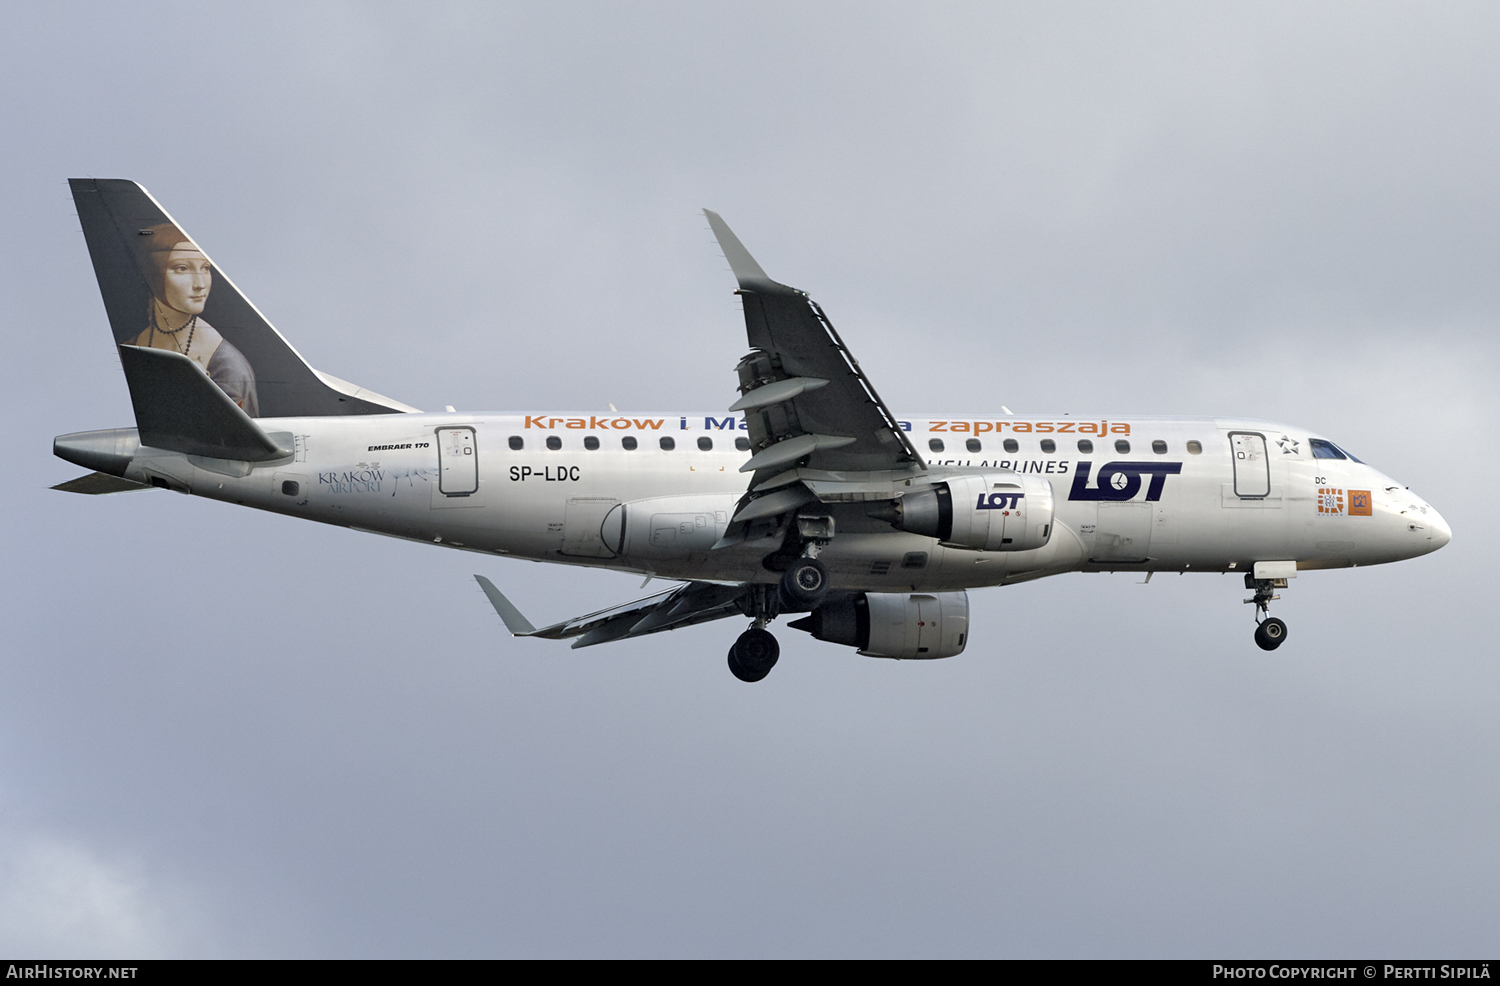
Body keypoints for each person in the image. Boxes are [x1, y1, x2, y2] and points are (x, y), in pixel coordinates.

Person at [128, 223, 260, 416]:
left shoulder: (228, 367)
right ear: (153, 272)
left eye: (205, 268)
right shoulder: (132, 346)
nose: (200, 284)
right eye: (182, 268)